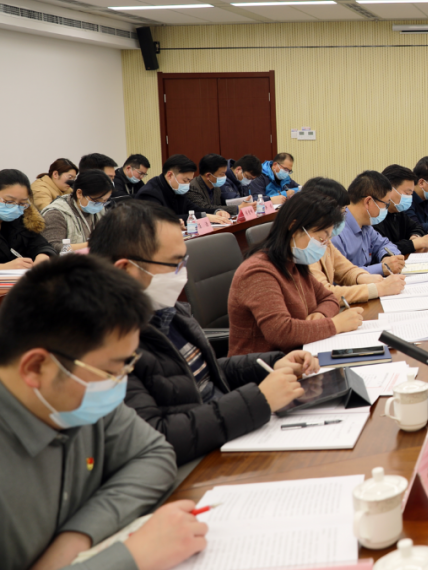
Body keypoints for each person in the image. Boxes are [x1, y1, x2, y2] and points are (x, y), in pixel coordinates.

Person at [0, 255, 207, 570]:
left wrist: (73, 540)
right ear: (36, 367)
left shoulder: (77, 399)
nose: (119, 382)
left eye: (126, 366)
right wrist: (131, 559)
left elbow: (153, 454)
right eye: (110, 371)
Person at [88, 200, 316, 466]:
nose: (183, 273)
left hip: (228, 432)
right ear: (125, 270)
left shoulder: (166, 311)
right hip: (198, 461)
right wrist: (259, 400)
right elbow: (157, 436)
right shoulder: (105, 345)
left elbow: (203, 374)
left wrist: (271, 363)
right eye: (174, 263)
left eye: (184, 261)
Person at [228, 192, 364, 356]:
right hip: (264, 365)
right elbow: (280, 331)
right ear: (293, 227)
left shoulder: (295, 263)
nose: (324, 245)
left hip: (300, 353)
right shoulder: (258, 272)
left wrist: (320, 314)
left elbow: (329, 298)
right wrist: (335, 325)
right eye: (321, 238)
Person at [303, 177, 405, 304]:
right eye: (341, 213)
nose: (343, 218)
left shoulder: (324, 240)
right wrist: (377, 289)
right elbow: (324, 293)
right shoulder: (305, 245)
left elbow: (346, 270)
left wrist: (365, 278)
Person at [333, 171, 407, 277]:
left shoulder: (366, 226)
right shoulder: (336, 232)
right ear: (368, 202)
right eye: (386, 204)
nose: (386, 209)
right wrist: (382, 269)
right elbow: (340, 276)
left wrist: (386, 257)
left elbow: (385, 244)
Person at [135, 155, 231, 224]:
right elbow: (162, 220)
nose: (187, 184)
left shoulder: (176, 188)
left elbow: (193, 209)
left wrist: (216, 212)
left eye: (189, 181)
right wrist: (204, 217)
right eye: (185, 180)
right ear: (170, 175)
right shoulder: (149, 193)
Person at [375, 165, 428, 256]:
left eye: (411, 194)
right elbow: (383, 249)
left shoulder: (398, 212)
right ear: (389, 189)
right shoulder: (375, 215)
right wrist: (416, 243)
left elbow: (417, 227)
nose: (409, 198)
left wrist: (415, 237)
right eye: (407, 193)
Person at [41, 170, 111, 253]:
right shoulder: (56, 213)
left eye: (105, 201)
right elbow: (53, 247)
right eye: (96, 201)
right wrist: (93, 244)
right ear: (79, 193)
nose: (100, 205)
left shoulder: (100, 210)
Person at [0, 169, 56, 269]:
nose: (16, 208)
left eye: (22, 203)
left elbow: (40, 244)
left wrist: (43, 256)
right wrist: (4, 267)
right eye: (9, 201)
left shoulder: (20, 221)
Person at [186, 154, 252, 215]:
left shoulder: (216, 186)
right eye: (222, 174)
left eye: (225, 173)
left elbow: (218, 206)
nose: (225, 176)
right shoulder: (192, 187)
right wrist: (237, 208)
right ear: (208, 176)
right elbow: (204, 208)